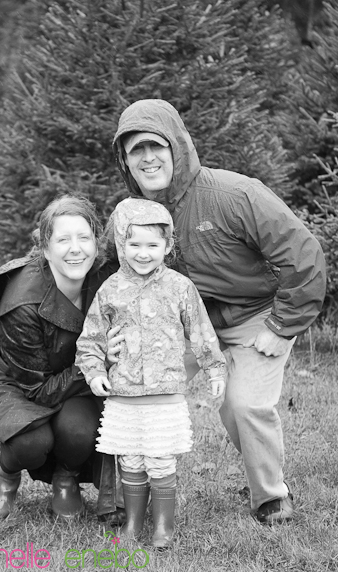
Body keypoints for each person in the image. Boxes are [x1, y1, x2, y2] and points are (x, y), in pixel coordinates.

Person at [111, 99, 327, 525]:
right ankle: (124, 495)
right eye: (137, 151)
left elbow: (304, 256)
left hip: (256, 315)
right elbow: (107, 270)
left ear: (177, 147)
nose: (148, 158)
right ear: (125, 161)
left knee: (242, 405)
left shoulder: (234, 194)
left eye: (156, 146)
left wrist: (281, 326)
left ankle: (270, 496)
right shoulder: (134, 214)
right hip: (187, 324)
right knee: (135, 386)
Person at [75, 198, 226, 548]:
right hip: (125, 395)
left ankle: (163, 526)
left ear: (168, 246)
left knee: (159, 460)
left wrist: (215, 369)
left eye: (152, 246)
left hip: (164, 395)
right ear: (121, 244)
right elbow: (91, 339)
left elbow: (201, 331)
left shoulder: (179, 287)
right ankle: (132, 523)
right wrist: (95, 371)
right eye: (134, 245)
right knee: (130, 459)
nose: (143, 254)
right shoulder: (111, 289)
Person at [0, 194, 125, 524]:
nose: (75, 249)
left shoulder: (107, 278)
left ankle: (66, 477)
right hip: (23, 386)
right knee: (31, 441)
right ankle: (6, 474)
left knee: (80, 432)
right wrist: (95, 362)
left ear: (96, 244)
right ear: (45, 247)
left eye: (84, 238)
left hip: (78, 383)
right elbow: (37, 390)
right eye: (63, 240)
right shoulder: (21, 302)